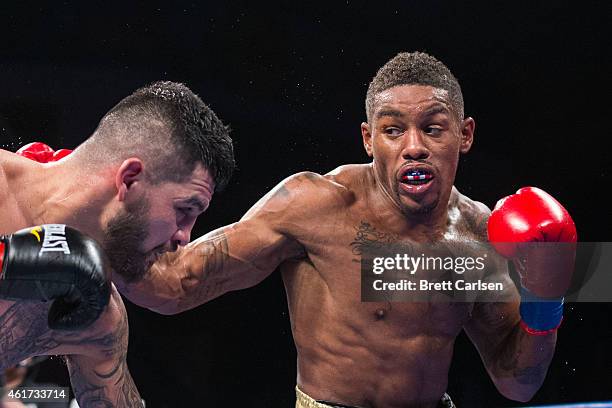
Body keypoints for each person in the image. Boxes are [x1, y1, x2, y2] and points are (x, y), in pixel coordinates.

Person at [122, 52, 577, 407]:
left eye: (433, 129)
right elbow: (175, 285)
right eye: (393, 130)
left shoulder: (479, 237)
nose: (413, 147)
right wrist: (93, 226)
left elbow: (518, 384)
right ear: (368, 138)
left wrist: (547, 299)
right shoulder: (312, 205)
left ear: (465, 134)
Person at [0, 81, 235, 407]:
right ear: (130, 179)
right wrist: (9, 263)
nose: (184, 237)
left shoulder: (98, 316)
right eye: (184, 210)